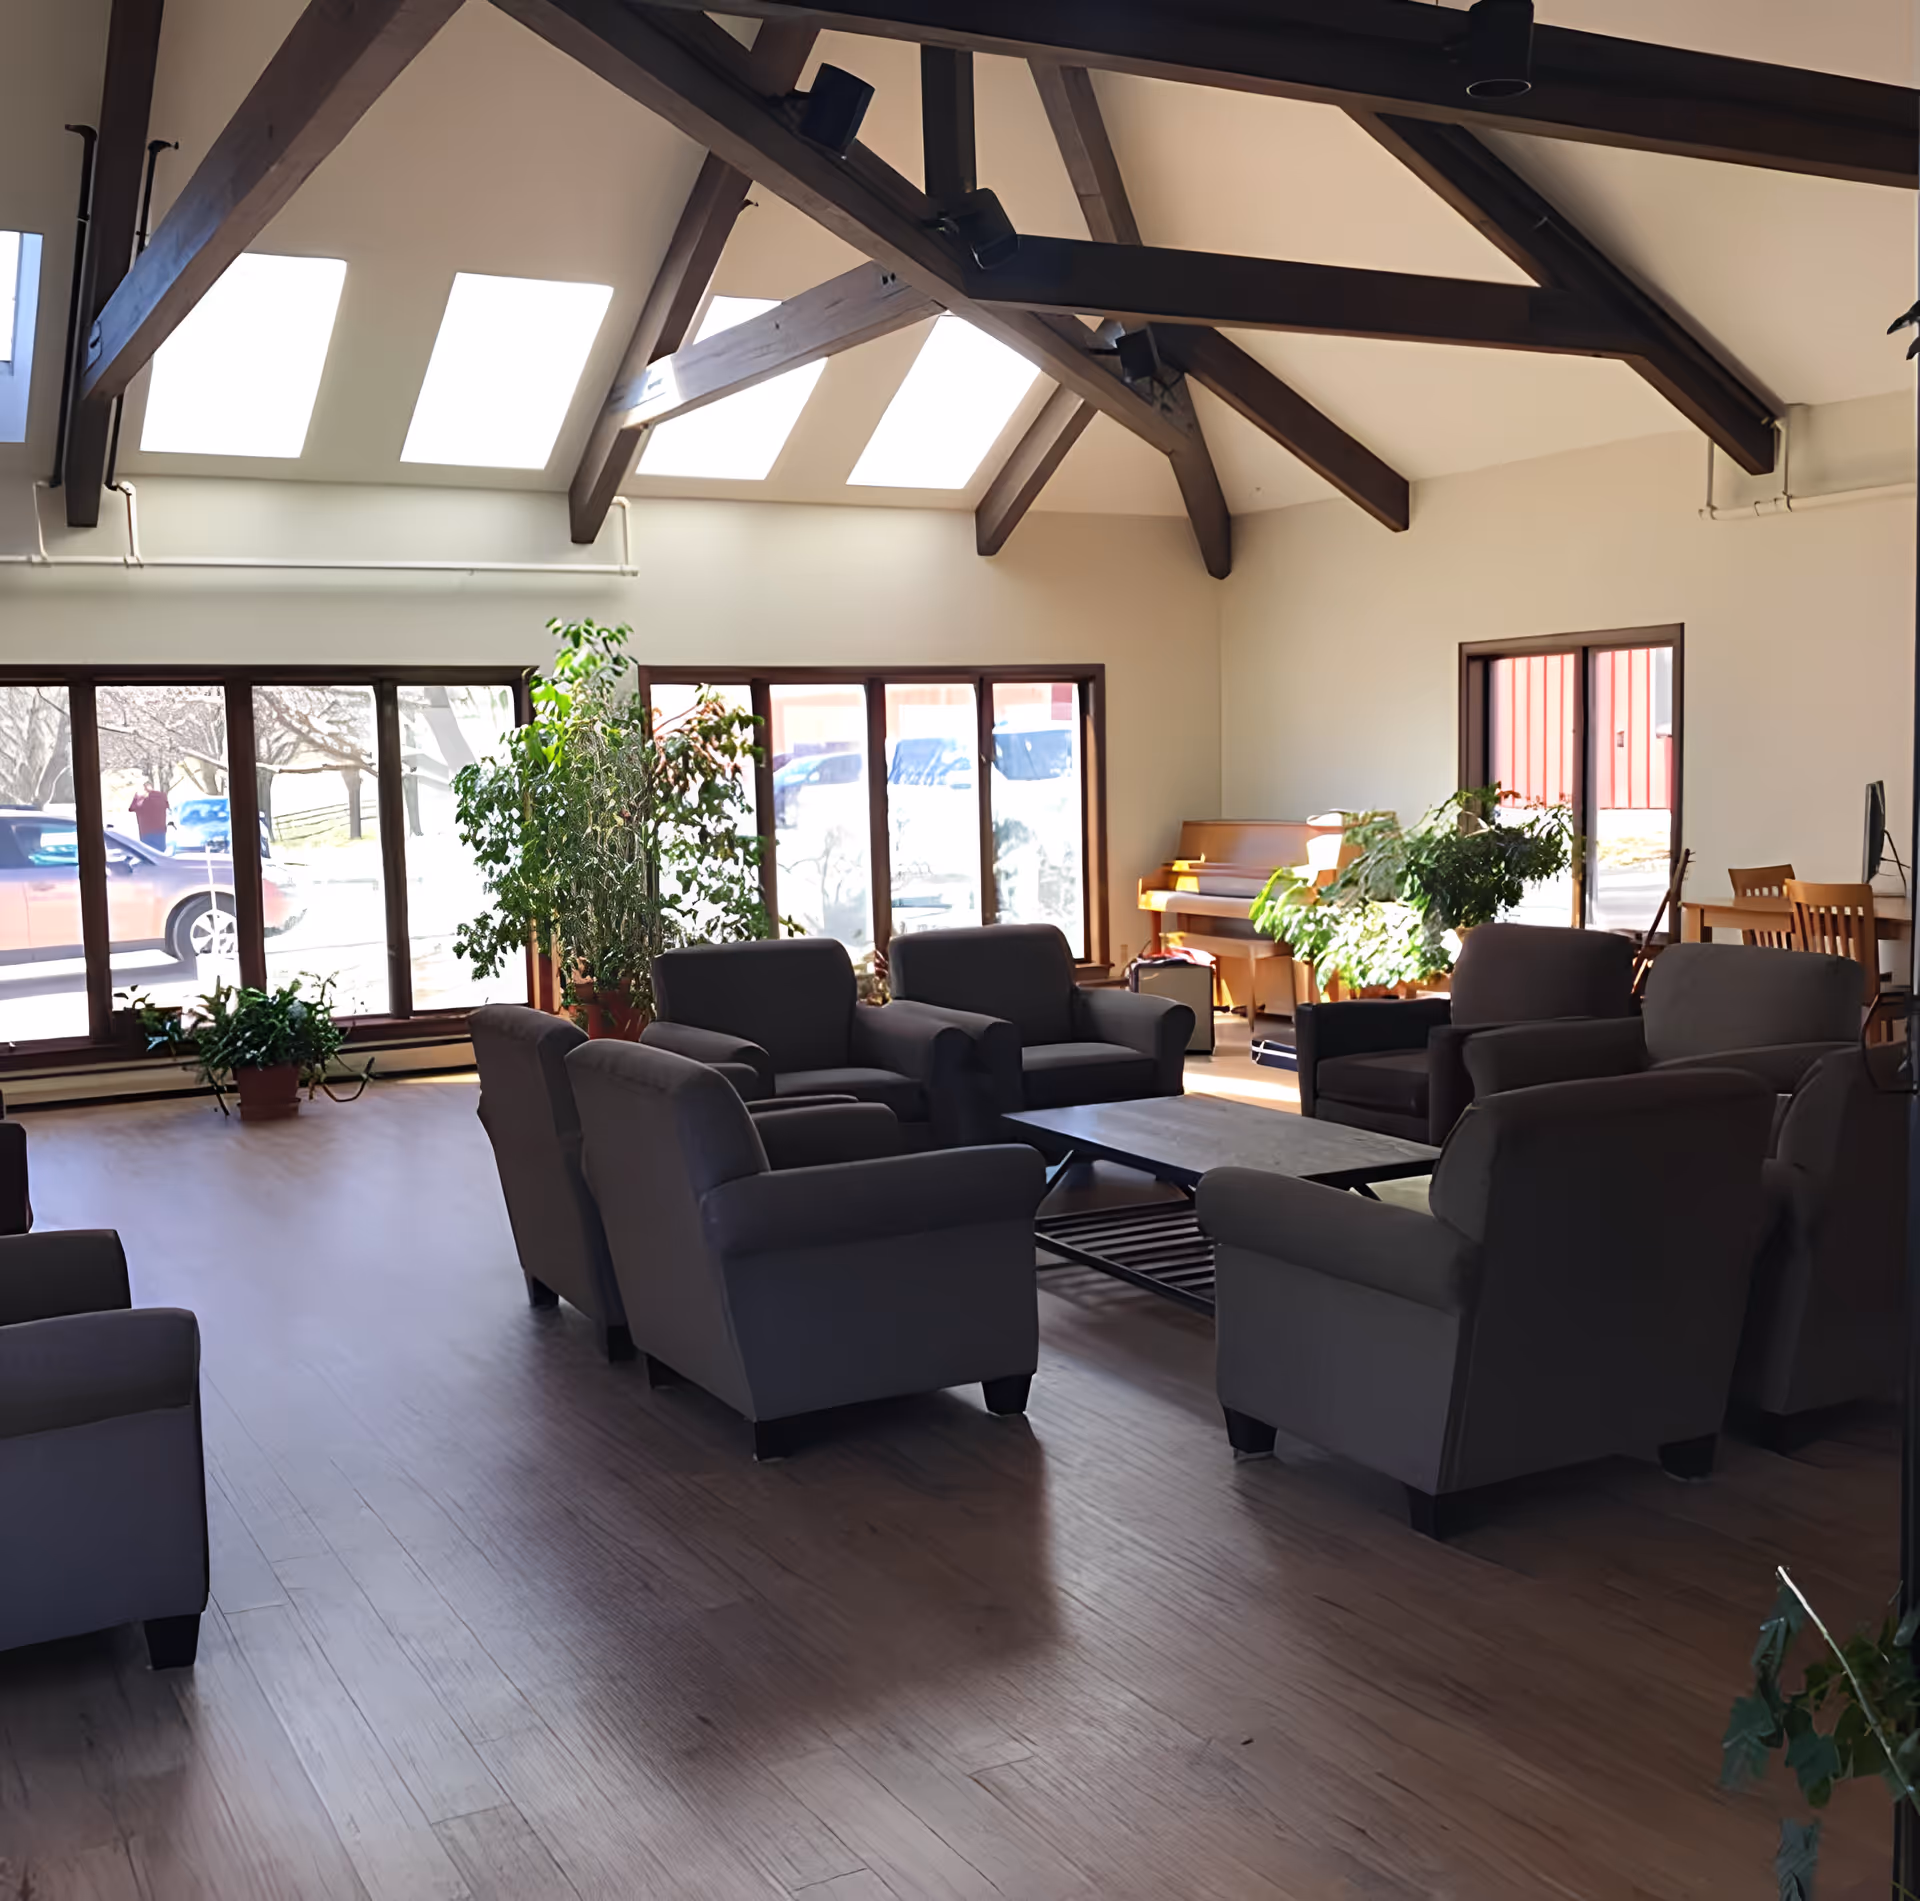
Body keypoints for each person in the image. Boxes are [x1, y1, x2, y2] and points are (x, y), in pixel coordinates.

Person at [129, 781, 169, 851]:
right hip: (160, 830)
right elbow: (167, 806)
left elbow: (131, 808)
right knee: (160, 854)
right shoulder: (162, 796)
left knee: (147, 853)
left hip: (146, 831)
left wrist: (136, 797)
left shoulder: (140, 799)